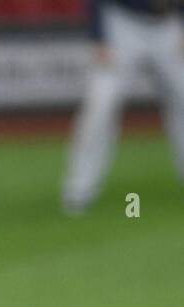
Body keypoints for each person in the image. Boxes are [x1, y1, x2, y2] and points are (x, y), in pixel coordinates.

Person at [63, 0, 184, 212]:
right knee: (101, 103)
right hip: (121, 23)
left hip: (168, 24)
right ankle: (78, 190)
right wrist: (98, 36)